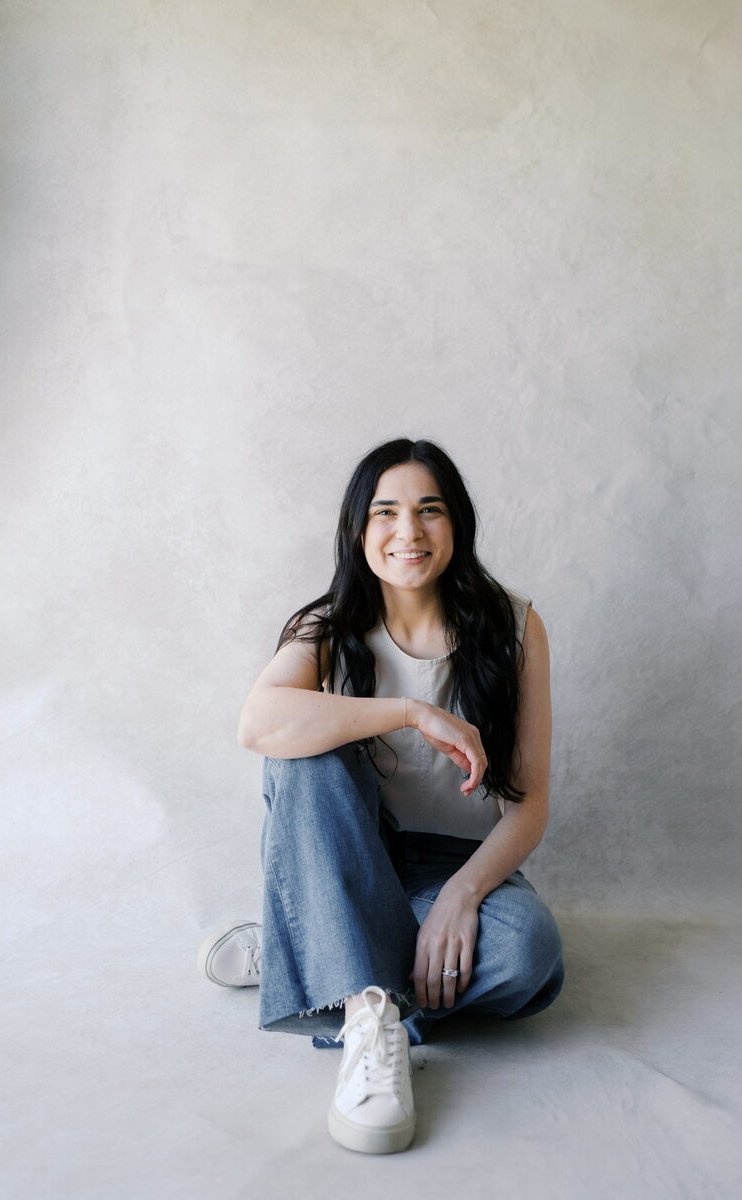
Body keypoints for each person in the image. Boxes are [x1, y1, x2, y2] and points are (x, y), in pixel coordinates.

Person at [197, 437, 565, 1154]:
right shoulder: (328, 629)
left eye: (429, 511)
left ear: (455, 524)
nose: (408, 532)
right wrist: (406, 711)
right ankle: (368, 1014)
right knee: (303, 750)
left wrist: (461, 897)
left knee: (528, 951)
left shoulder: (514, 628)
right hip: (348, 855)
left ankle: (309, 954)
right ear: (358, 531)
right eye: (385, 513)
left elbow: (530, 802)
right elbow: (256, 724)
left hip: (455, 866)